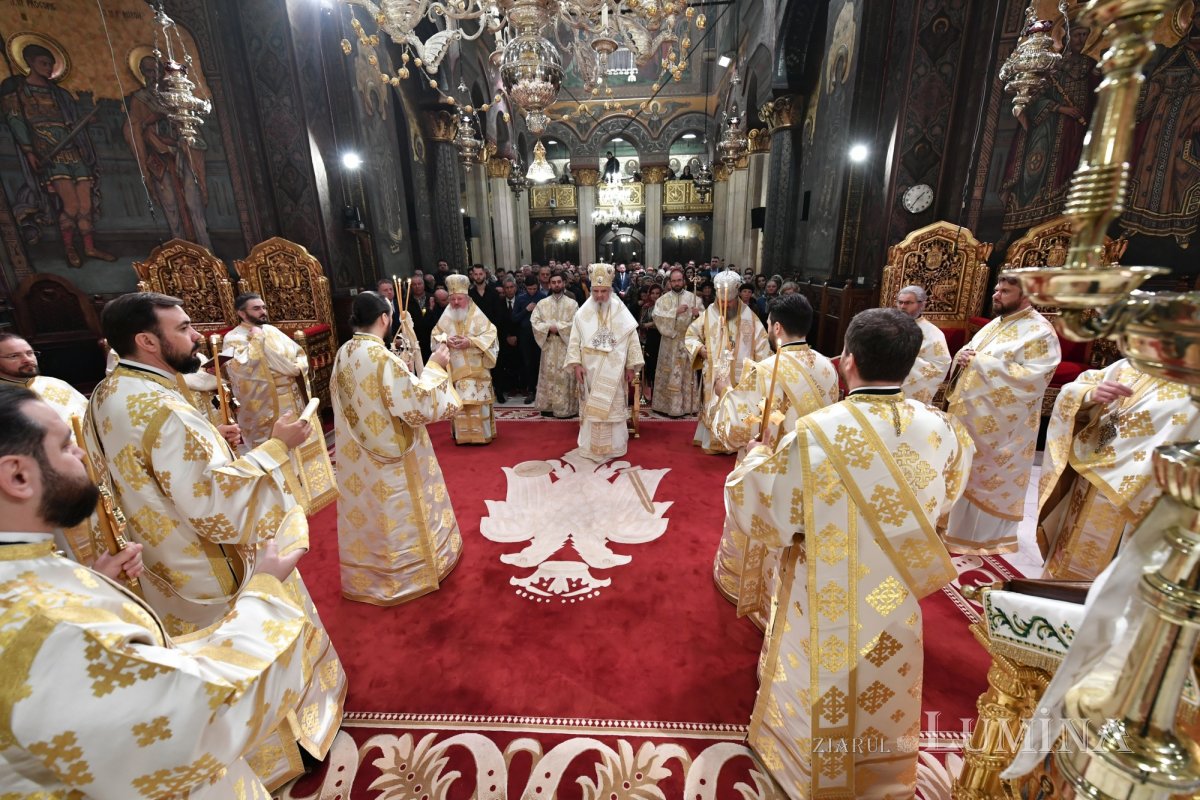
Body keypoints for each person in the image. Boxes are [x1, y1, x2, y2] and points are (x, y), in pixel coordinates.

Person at [0, 384, 318, 798]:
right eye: (65, 447)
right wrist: (266, 592)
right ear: (18, 475)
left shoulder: (25, 568)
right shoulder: (45, 625)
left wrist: (97, 583)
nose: (82, 457)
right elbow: (196, 722)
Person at [86, 292, 344, 786]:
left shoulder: (106, 391)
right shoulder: (166, 407)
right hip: (208, 562)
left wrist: (210, 442)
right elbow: (215, 504)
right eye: (182, 328)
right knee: (239, 647)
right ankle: (285, 744)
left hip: (157, 560)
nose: (196, 335)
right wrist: (275, 448)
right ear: (147, 341)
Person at [724, 308, 974, 799]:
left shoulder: (816, 433)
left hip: (824, 582)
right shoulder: (945, 429)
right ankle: (876, 767)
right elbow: (947, 497)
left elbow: (765, 510)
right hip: (895, 579)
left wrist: (753, 457)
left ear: (848, 360)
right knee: (883, 669)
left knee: (818, 669)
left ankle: (802, 767)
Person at [709, 294, 839, 629]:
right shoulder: (828, 367)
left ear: (776, 327)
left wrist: (723, 391)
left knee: (763, 531)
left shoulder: (766, 370)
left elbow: (735, 431)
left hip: (770, 472)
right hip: (811, 469)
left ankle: (750, 590)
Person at [332, 292, 464, 604]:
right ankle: (410, 574)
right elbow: (418, 405)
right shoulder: (382, 359)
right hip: (395, 454)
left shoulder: (344, 351)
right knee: (399, 510)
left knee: (373, 513)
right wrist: (435, 366)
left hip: (359, 454)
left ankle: (376, 574)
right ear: (384, 319)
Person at [1037, 358, 1199, 580]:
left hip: (1141, 495)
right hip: (1090, 478)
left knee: (1109, 577)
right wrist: (1089, 395)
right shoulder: (1137, 361)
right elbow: (1080, 385)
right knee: (1067, 562)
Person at [945, 276, 1060, 555]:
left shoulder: (1040, 333)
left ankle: (980, 540)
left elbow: (1034, 379)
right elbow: (970, 354)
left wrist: (979, 363)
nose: (996, 295)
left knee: (986, 478)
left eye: (1005, 291)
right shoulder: (995, 324)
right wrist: (962, 357)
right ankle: (949, 527)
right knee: (960, 469)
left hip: (1001, 431)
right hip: (969, 418)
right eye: (997, 289)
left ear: (1027, 296)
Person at [0, 43, 115, 267]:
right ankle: (70, 248)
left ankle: (89, 248)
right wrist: (29, 152)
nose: (49, 68)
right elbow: (17, 124)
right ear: (30, 63)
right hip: (50, 155)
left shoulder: (61, 95)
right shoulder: (19, 95)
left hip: (73, 151)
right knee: (70, 207)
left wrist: (87, 121)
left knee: (86, 207)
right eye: (44, 63)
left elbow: (73, 118)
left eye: (51, 64)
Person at [0, 332, 99, 567]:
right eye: (14, 355)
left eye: (29, 353)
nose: (27, 359)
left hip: (89, 479)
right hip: (46, 492)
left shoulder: (57, 385)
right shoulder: (5, 404)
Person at [123, 54, 211, 248]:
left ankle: (206, 251)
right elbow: (134, 128)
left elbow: (190, 127)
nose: (153, 75)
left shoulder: (175, 98)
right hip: (159, 158)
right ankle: (180, 251)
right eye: (148, 71)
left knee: (193, 201)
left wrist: (181, 137)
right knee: (170, 205)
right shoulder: (140, 99)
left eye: (156, 70)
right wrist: (150, 121)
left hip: (182, 155)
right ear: (142, 74)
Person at [565, 263, 645, 462]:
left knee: (612, 409)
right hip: (589, 370)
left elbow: (631, 338)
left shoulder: (620, 310)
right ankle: (591, 447)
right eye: (596, 291)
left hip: (614, 370)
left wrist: (630, 366)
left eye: (604, 291)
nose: (600, 295)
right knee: (592, 409)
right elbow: (574, 340)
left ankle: (615, 447)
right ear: (591, 290)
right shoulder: (582, 314)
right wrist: (576, 364)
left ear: (611, 290)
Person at [686, 271, 770, 453]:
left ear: (737, 295)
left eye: (729, 302)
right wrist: (700, 349)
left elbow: (763, 346)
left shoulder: (750, 317)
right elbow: (690, 335)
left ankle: (733, 443)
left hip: (740, 376)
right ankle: (713, 442)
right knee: (714, 405)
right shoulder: (709, 314)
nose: (725, 305)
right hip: (715, 374)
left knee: (735, 405)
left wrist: (761, 370)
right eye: (722, 302)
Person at [221, 293, 310, 448]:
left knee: (302, 443)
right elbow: (242, 371)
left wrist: (297, 367)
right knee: (279, 447)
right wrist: (256, 339)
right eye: (256, 308)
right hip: (268, 402)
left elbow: (298, 352)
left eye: (263, 307)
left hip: (293, 396)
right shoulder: (233, 338)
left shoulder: (272, 330)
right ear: (241, 313)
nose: (263, 312)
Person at [432, 274, 500, 444]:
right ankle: (462, 437)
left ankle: (482, 436)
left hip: (477, 370)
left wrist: (470, 342)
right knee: (460, 403)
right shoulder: (446, 316)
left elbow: (492, 334)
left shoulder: (477, 314)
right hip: (456, 369)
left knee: (477, 403)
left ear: (467, 299)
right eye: (452, 299)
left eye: (459, 299)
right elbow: (434, 336)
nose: (455, 303)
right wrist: (445, 340)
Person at [651, 268, 701, 417]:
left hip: (687, 342)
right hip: (669, 343)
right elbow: (657, 316)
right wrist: (675, 312)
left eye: (679, 280)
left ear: (684, 281)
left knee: (685, 375)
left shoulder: (695, 299)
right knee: (669, 372)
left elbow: (704, 321)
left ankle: (686, 407)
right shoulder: (663, 300)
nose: (677, 283)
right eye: (673, 281)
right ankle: (666, 406)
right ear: (669, 283)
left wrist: (698, 315)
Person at [531, 273, 580, 418]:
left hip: (565, 346)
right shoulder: (542, 304)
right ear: (549, 284)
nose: (556, 285)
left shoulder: (572, 304)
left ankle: (566, 408)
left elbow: (577, 324)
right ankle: (548, 406)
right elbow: (535, 322)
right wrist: (548, 328)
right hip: (549, 346)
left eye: (559, 282)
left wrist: (558, 327)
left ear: (564, 283)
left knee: (565, 376)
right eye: (554, 282)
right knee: (548, 375)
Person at [895, 284, 951, 405]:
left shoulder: (933, 333)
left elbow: (940, 364)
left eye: (908, 303)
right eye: (900, 302)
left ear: (921, 304)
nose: (902, 306)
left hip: (909, 396)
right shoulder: (887, 325)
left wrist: (897, 360)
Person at [515, 273, 548, 403]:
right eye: (530, 289)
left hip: (540, 334)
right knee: (528, 363)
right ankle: (531, 391)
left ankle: (541, 390)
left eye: (534, 289)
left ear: (538, 287)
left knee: (540, 362)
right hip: (525, 334)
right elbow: (514, 318)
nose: (532, 291)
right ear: (526, 287)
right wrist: (526, 310)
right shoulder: (520, 298)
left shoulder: (543, 298)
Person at [495, 276, 523, 402]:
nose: (509, 290)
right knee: (503, 364)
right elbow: (497, 322)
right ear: (504, 289)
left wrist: (516, 336)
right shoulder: (498, 302)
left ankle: (522, 386)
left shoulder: (522, 301)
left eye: (512, 287)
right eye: (507, 288)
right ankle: (505, 388)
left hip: (520, 338)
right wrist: (507, 337)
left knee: (521, 363)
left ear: (515, 288)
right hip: (503, 339)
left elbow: (523, 321)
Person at [639, 284, 663, 400]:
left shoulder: (665, 306)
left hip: (663, 337)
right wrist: (655, 322)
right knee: (650, 365)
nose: (655, 296)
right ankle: (649, 392)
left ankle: (660, 393)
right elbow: (642, 324)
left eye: (657, 293)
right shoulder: (646, 306)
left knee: (661, 364)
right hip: (651, 338)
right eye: (653, 293)